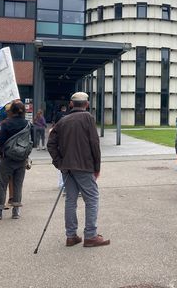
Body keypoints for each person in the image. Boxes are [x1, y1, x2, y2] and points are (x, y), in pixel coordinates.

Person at [47, 92, 110, 248]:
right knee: (92, 199)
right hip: (84, 166)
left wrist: (59, 162)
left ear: (71, 104)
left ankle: (71, 236)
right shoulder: (88, 118)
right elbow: (95, 145)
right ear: (87, 104)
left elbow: (51, 144)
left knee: (70, 200)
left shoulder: (62, 121)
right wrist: (97, 167)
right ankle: (90, 236)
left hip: (67, 167)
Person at [0, 100, 30, 220]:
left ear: (11, 111)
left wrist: (1, 154)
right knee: (18, 185)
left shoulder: (6, 123)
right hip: (21, 159)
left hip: (8, 158)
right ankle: (16, 211)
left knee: (2, 184)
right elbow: (31, 142)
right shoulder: (27, 124)